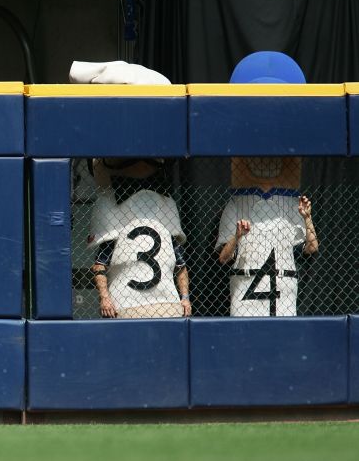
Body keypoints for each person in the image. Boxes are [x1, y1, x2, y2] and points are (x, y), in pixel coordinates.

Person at [71, 61, 191, 319]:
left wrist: (184, 298)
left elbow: (179, 261)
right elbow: (101, 262)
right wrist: (105, 297)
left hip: (165, 301)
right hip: (126, 303)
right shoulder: (110, 205)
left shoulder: (164, 203)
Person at [215, 52, 319, 317]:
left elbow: (311, 248)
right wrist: (237, 236)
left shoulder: (290, 203)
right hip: (245, 287)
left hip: (283, 288)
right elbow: (223, 258)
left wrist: (307, 219)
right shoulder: (236, 203)